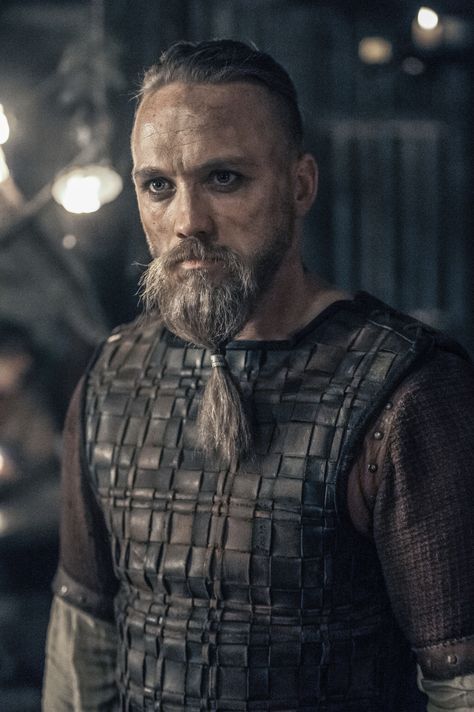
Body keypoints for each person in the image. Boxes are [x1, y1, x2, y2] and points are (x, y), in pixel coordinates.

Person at [42, 40, 474, 711]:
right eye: (159, 185)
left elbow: (460, 683)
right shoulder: (111, 377)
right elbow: (83, 651)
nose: (187, 222)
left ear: (300, 184)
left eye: (225, 179)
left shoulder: (405, 391)